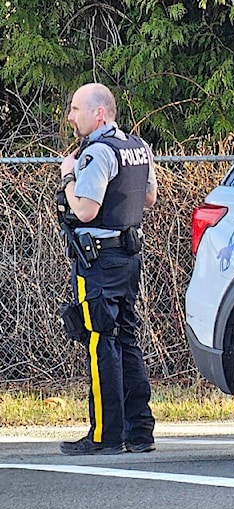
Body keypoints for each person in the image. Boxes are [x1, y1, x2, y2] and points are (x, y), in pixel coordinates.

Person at [57, 82, 158, 455]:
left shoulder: (97, 153)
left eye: (76, 109)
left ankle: (105, 435)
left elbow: (85, 210)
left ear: (99, 113)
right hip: (129, 258)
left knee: (101, 341)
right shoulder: (138, 147)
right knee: (127, 339)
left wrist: (68, 176)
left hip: (99, 260)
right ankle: (140, 431)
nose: (71, 117)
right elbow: (148, 198)